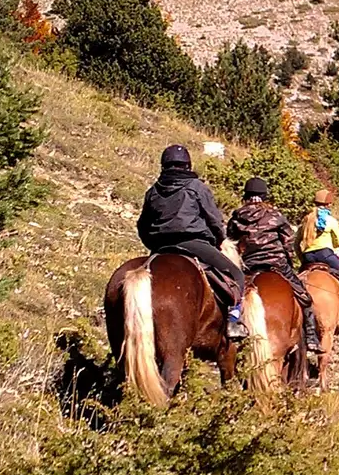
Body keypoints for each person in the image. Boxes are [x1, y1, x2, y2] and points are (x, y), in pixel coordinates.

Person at [138, 144, 247, 340]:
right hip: (193, 243)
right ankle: (233, 322)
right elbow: (214, 219)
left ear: (164, 165)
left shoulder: (153, 191)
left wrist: (153, 245)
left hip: (160, 247)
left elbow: (142, 225)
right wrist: (218, 241)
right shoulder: (197, 187)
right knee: (236, 275)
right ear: (188, 165)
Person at [227, 178, 322, 353]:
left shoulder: (237, 217)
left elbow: (231, 243)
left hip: (248, 266)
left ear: (246, 195)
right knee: (304, 297)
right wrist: (290, 260)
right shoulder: (275, 215)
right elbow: (289, 241)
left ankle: (231, 326)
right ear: (264, 195)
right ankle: (311, 337)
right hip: (276, 263)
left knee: (231, 296)